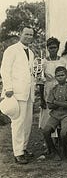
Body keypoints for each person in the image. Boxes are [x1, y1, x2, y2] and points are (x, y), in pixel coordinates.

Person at [0, 26, 35, 164]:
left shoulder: (31, 53)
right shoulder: (12, 50)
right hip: (16, 92)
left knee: (27, 123)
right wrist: (8, 87)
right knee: (18, 123)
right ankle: (18, 152)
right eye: (26, 34)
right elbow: (4, 69)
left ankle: (24, 148)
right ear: (20, 34)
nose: (28, 37)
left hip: (29, 93)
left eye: (31, 35)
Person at [42, 66, 67, 160]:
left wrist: (56, 102)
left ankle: (64, 149)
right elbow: (50, 105)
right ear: (55, 77)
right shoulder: (53, 89)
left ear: (66, 75)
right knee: (46, 131)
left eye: (62, 75)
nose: (60, 77)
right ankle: (53, 150)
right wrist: (62, 104)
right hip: (55, 114)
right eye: (58, 76)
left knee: (63, 133)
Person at [39, 37, 66, 130]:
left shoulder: (62, 61)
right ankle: (49, 136)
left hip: (61, 87)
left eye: (54, 47)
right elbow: (41, 81)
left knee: (60, 109)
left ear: (58, 48)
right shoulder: (44, 62)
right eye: (50, 48)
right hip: (49, 87)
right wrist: (42, 98)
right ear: (47, 48)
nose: (53, 50)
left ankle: (60, 138)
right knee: (48, 111)